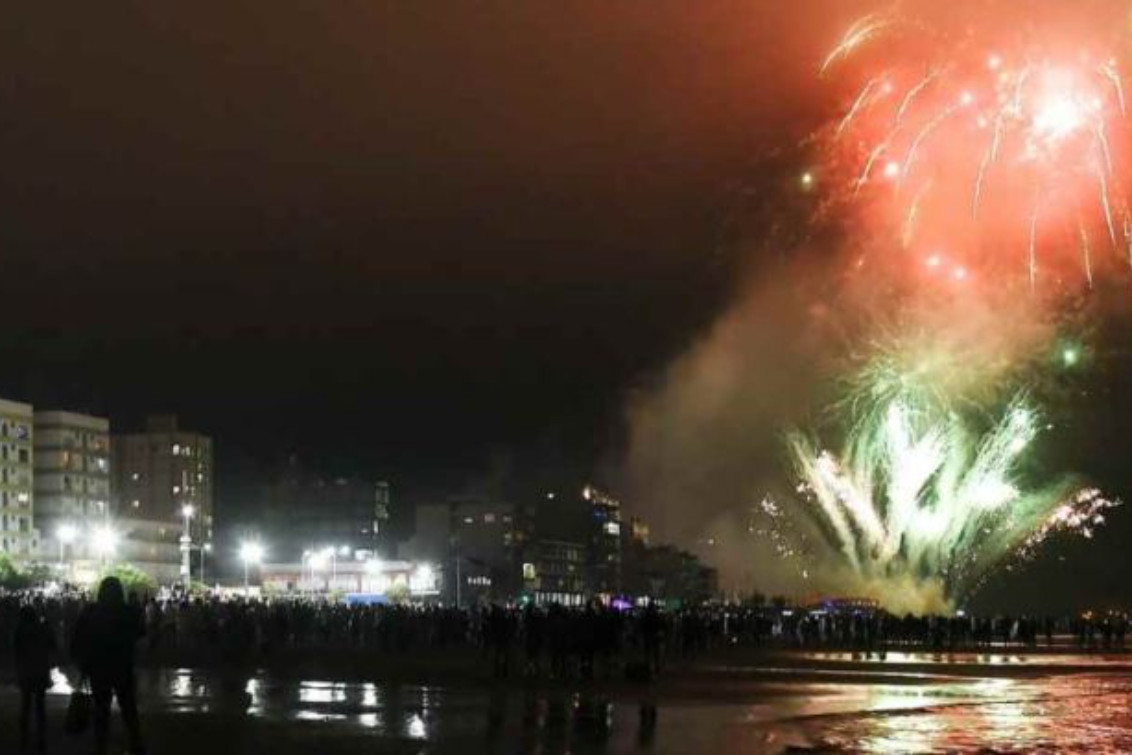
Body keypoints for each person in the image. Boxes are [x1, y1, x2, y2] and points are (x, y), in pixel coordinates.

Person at [71, 577, 147, 755]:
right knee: (128, 709)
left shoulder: (91, 612)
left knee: (101, 710)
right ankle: (136, 744)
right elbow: (140, 632)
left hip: (98, 668)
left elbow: (77, 639)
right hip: (122, 666)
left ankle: (100, 746)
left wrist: (83, 662)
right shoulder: (127, 612)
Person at [14, 604, 55, 753]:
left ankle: (23, 736)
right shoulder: (43, 629)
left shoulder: (19, 631)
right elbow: (53, 645)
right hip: (40, 671)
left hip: (26, 671)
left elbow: (16, 651)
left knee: (25, 704)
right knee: (40, 706)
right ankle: (41, 736)